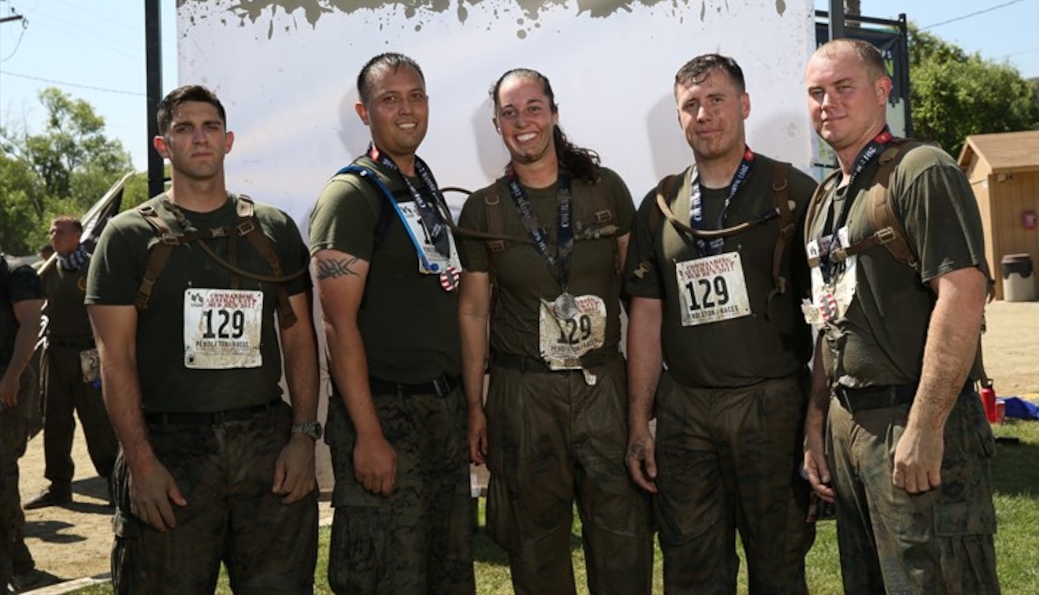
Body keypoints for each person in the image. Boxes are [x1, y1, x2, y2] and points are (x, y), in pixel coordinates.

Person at [85, 84, 321, 594]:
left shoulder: (273, 229)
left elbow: (300, 337)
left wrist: (304, 436)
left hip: (266, 447)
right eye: (184, 128)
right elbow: (116, 358)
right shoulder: (127, 237)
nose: (200, 138)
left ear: (229, 140)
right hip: (171, 451)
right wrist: (143, 465)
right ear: (162, 145)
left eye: (210, 127)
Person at [800, 38, 998, 594]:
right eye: (816, 92)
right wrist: (817, 427)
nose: (827, 103)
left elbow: (962, 293)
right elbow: (827, 318)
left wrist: (926, 427)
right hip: (850, 427)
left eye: (844, 87)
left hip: (912, 421)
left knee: (936, 580)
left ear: (882, 91)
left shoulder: (922, 170)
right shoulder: (827, 196)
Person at [623, 53, 818, 594]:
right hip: (685, 412)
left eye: (716, 100)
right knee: (690, 569)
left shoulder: (793, 193)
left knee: (778, 564)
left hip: (771, 406)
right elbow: (644, 318)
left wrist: (817, 419)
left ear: (744, 105)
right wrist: (641, 423)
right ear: (679, 119)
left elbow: (830, 316)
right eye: (691, 105)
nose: (704, 115)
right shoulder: (660, 205)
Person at [457, 68, 653, 595]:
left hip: (602, 387)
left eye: (533, 107)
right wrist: (476, 405)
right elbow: (473, 313)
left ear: (555, 112)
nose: (523, 121)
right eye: (509, 113)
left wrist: (641, 403)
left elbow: (641, 298)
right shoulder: (486, 208)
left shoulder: (605, 189)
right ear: (497, 125)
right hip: (524, 394)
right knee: (536, 546)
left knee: (622, 537)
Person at [309, 52, 474, 594]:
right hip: (385, 415)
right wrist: (369, 435)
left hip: (439, 415)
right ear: (364, 112)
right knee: (384, 578)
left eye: (416, 96)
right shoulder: (351, 194)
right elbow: (338, 326)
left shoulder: (422, 184)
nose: (406, 110)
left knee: (444, 574)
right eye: (389, 99)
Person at [25, 216, 118, 511]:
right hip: (56, 353)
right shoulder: (48, 269)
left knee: (97, 420)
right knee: (55, 420)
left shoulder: (93, 266)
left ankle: (115, 485)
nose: (54, 235)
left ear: (77, 235)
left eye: (60, 231)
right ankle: (59, 486)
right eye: (51, 230)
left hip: (87, 353)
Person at [0, 254, 44, 591]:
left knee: (2, 473)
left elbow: (30, 326)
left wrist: (12, 375)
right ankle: (18, 557)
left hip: (7, 387)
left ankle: (11, 565)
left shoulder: (18, 273)